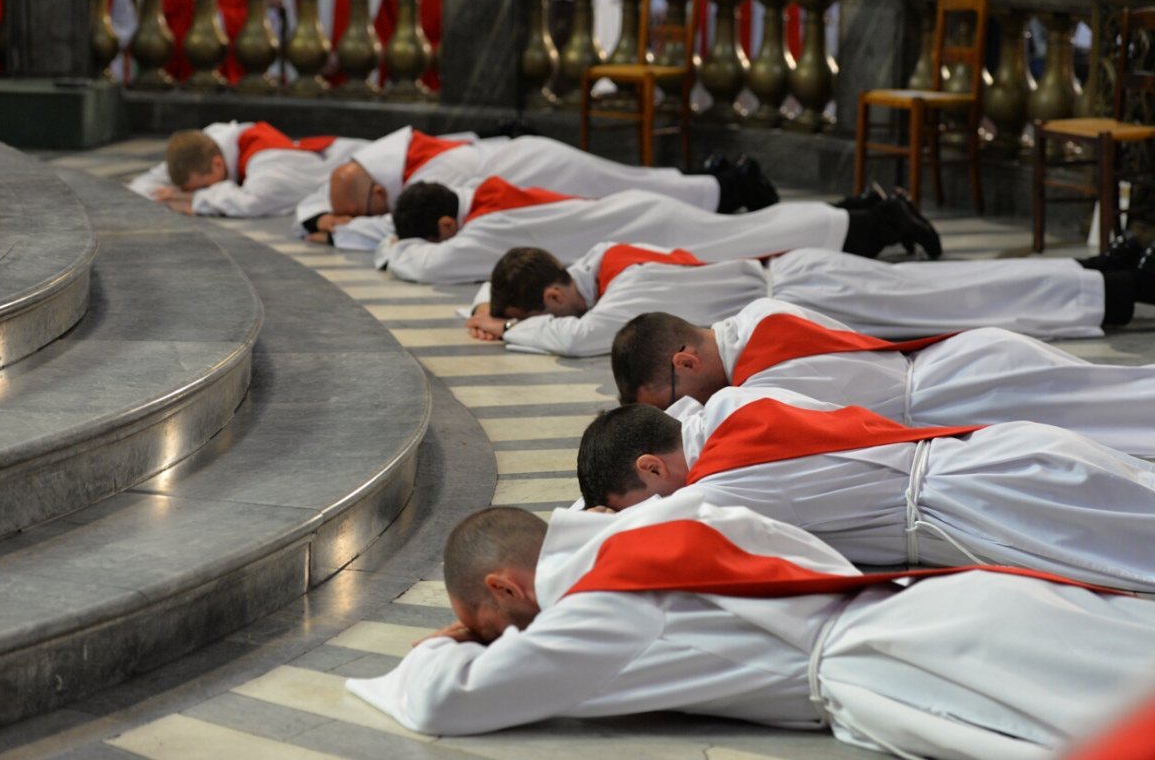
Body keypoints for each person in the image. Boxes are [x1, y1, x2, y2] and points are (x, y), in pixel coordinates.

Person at [345, 495, 1155, 759]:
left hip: (898, 662)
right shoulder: (658, 518)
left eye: (489, 625)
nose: (499, 638)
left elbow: (448, 705)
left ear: (505, 586)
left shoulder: (598, 611)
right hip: (940, 604)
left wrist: (438, 648)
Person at [575, 385, 1155, 591]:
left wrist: (590, 518)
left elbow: (656, 536)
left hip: (995, 502)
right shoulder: (735, 404)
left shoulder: (725, 486)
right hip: (1000, 454)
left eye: (647, 500)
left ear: (652, 469)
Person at [604, 295, 1155, 456]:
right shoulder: (757, 317)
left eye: (669, 399)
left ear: (685, 362)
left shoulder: (759, 376)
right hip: (971, 368)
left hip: (968, 391)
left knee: (1128, 414)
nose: (678, 410)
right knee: (1124, 401)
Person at [464, 238, 1153, 358]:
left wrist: (510, 330)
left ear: (558, 295)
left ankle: (1121, 287)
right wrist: (495, 305)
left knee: (963, 300)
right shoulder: (603, 265)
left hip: (813, 290)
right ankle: (1108, 278)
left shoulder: (625, 291)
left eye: (538, 311)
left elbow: (578, 337)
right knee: (958, 290)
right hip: (805, 279)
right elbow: (551, 296)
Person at [376, 176, 938, 285]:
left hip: (653, 230)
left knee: (766, 240)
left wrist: (395, 246)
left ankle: (883, 222)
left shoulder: (480, 232)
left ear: (447, 225)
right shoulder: (480, 197)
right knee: (763, 230)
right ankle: (871, 212)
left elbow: (431, 266)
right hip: (641, 219)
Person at [297, 125, 777, 249]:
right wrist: (324, 217)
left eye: (360, 213)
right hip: (535, 164)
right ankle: (723, 182)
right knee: (633, 186)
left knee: (630, 194)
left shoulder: (425, 178)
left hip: (544, 173)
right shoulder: (397, 160)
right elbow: (345, 194)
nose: (362, 219)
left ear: (379, 195)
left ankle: (733, 187)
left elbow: (396, 229)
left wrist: (337, 230)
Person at [127, 121, 368, 218]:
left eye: (204, 185)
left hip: (359, 163)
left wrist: (196, 198)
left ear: (218, 165)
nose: (204, 189)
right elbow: (143, 185)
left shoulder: (269, 163)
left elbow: (253, 202)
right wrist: (175, 192)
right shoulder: (206, 146)